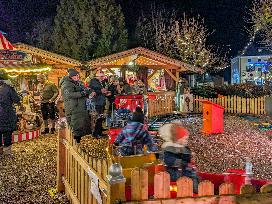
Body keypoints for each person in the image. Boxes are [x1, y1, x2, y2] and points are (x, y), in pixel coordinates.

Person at [159, 123, 199, 193]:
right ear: (178, 139)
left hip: (184, 170)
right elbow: (169, 160)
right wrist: (183, 163)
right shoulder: (170, 148)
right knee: (191, 177)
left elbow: (187, 159)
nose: (186, 140)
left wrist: (190, 159)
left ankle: (196, 190)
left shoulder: (184, 148)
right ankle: (194, 191)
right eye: (185, 138)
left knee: (194, 175)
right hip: (175, 172)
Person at [60, 68, 91, 143]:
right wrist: (82, 93)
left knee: (80, 124)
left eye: (78, 76)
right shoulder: (66, 84)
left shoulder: (76, 82)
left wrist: (87, 91)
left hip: (79, 107)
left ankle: (77, 142)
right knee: (75, 125)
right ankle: (75, 142)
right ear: (72, 76)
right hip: (73, 107)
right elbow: (69, 95)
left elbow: (82, 89)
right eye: (76, 76)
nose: (78, 77)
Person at [0, 71, 20, 155]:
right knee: (7, 131)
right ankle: (7, 151)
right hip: (7, 113)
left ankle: (0, 150)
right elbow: (17, 100)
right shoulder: (8, 88)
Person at [89, 71, 107, 137]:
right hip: (97, 102)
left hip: (101, 101)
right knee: (97, 118)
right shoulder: (94, 81)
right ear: (97, 76)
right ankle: (96, 133)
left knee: (100, 117)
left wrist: (105, 92)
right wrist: (101, 91)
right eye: (101, 76)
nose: (103, 78)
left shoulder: (100, 82)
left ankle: (99, 130)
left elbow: (100, 90)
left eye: (103, 76)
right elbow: (93, 91)